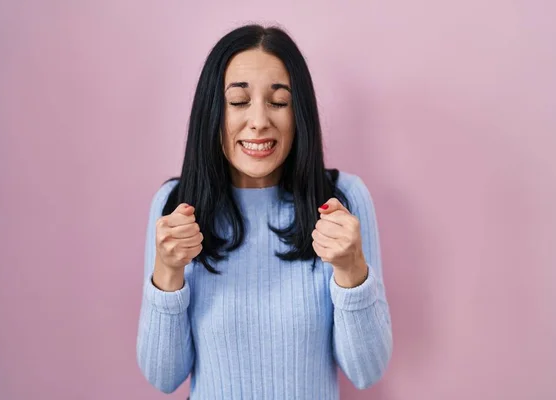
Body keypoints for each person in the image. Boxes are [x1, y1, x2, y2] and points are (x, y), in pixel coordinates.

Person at [136, 24, 393, 400]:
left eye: (279, 102)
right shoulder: (173, 205)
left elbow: (366, 372)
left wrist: (352, 270)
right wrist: (167, 273)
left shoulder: (344, 200)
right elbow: (163, 376)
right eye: (239, 102)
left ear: (299, 113)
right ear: (213, 112)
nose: (258, 121)